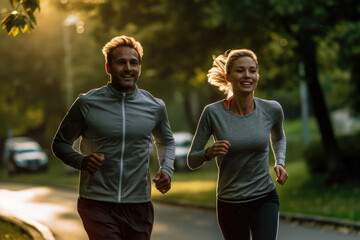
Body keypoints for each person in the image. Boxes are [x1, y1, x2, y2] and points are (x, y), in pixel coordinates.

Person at [52, 35, 175, 240]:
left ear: (139, 68)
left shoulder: (155, 106)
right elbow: (60, 144)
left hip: (139, 204)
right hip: (97, 203)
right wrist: (82, 161)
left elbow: (166, 141)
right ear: (108, 68)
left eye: (133, 63)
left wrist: (167, 169)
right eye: (121, 62)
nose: (128, 68)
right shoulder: (87, 104)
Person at [187, 49, 288, 240]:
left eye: (252, 70)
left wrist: (280, 162)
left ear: (257, 75)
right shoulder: (212, 113)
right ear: (228, 76)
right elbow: (192, 160)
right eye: (240, 70)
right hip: (230, 203)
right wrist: (208, 153)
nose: (247, 75)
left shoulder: (271, 109)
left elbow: (279, 137)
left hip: (264, 197)